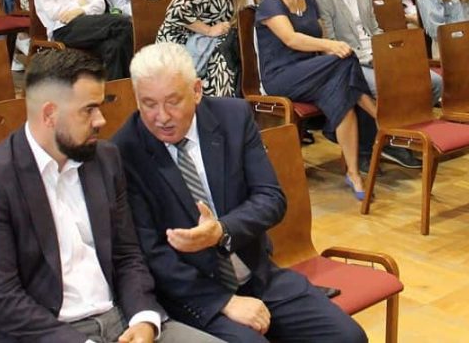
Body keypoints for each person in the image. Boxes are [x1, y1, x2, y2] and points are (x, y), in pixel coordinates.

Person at [0, 48, 213, 343]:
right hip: (43, 331)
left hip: (119, 319)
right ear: (50, 114)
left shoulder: (105, 159)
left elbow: (127, 255)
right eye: (89, 109)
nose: (101, 120)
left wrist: (144, 319)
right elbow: (0, 297)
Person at [112, 43, 368, 342]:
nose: (162, 116)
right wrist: (223, 302)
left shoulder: (232, 117)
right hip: (193, 295)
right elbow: (148, 253)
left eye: (173, 101)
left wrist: (222, 231)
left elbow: (270, 199)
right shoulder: (125, 150)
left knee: (348, 337)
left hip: (257, 275)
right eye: (148, 104)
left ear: (196, 91)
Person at [309, 0, 438, 169]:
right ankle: (384, 142)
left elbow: (375, 28)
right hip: (349, 61)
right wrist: (371, 58)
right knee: (385, 86)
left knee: (433, 82)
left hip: (375, 52)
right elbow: (330, 43)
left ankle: (399, 135)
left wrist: (389, 53)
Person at [258, 0, 378, 198]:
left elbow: (321, 39)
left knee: (343, 97)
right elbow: (291, 39)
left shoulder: (310, 1)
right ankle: (377, 114)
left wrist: (331, 50)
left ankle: (353, 173)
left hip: (314, 73)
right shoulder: (270, 3)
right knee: (344, 57)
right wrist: (332, 47)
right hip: (281, 75)